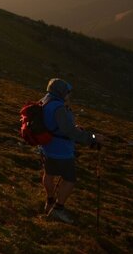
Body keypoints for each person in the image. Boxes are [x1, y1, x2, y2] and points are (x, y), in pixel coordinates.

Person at [39, 78, 104, 224]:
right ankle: (58, 209)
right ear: (61, 92)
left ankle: (49, 201)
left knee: (48, 174)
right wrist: (92, 138)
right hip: (61, 150)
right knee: (69, 179)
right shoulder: (59, 108)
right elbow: (70, 132)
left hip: (47, 147)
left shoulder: (45, 101)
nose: (69, 94)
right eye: (67, 92)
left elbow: (59, 126)